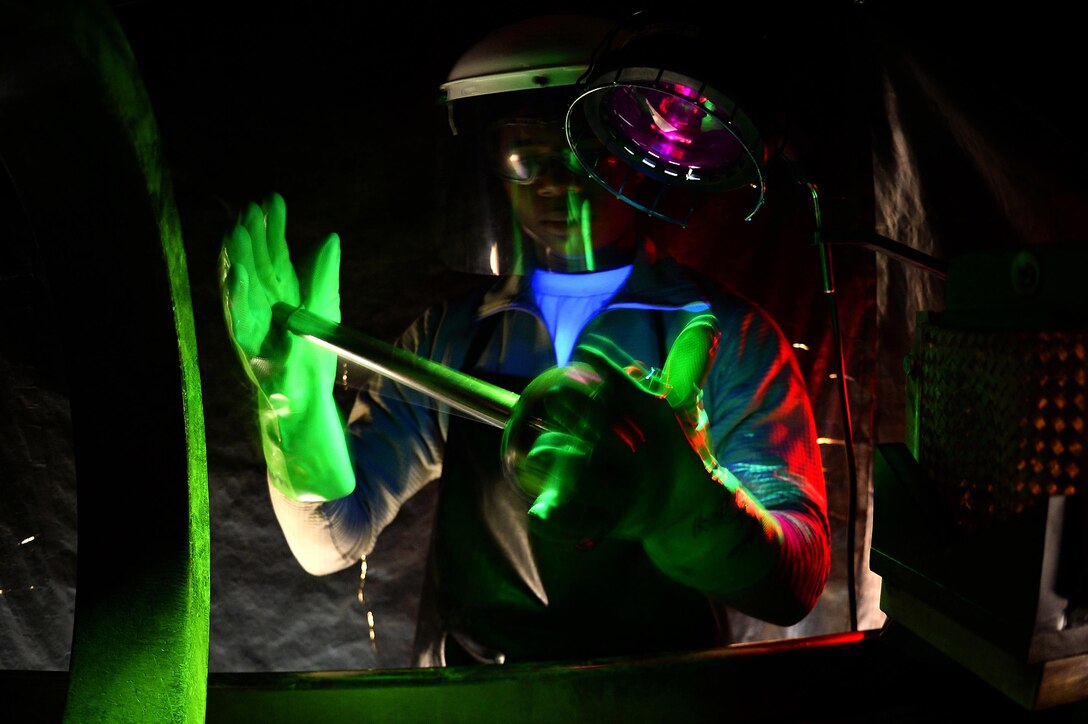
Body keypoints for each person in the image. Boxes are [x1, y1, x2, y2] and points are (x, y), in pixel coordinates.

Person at [219, 13, 830, 667]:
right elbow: (332, 538)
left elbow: (795, 579)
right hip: (476, 697)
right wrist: (295, 409)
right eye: (525, 154)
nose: (554, 184)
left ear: (642, 154)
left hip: (662, 698)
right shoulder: (455, 336)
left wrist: (682, 502)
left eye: (587, 152)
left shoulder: (727, 340)